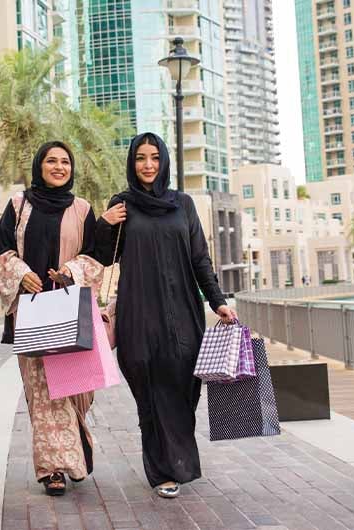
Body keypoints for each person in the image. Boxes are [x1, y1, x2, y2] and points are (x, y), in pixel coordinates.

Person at [95, 132, 237, 499]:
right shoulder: (123, 204)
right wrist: (105, 223)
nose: (147, 165)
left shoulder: (183, 205)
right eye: (140, 157)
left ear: (164, 162)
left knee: (182, 391)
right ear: (131, 161)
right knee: (150, 393)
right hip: (138, 315)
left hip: (184, 314)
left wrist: (218, 301)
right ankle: (163, 471)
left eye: (154, 157)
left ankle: (177, 459)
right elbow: (102, 258)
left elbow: (200, 259)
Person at [0, 141, 104, 496]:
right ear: (39, 165)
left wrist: (71, 270)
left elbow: (96, 256)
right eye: (52, 161)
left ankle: (77, 449)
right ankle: (53, 468)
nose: (59, 167)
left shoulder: (84, 209)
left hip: (72, 309)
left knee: (77, 390)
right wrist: (21, 272)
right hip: (32, 312)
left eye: (65, 161)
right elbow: (1, 254)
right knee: (42, 394)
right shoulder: (18, 205)